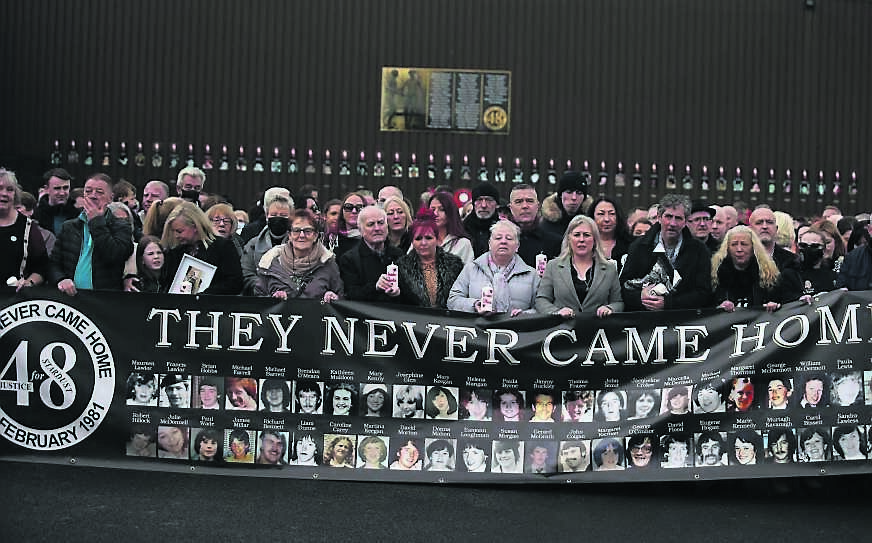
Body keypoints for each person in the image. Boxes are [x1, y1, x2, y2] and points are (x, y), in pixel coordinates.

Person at [620, 194, 712, 311]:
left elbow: (703, 293)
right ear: (659, 217)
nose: (672, 223)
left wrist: (668, 303)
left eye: (678, 218)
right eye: (668, 216)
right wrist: (640, 297)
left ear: (686, 221)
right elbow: (623, 287)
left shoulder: (699, 250)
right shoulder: (638, 247)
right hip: (644, 321)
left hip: (683, 321)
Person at [50, 173, 134, 294]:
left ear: (110, 198)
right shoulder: (68, 227)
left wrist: (96, 222)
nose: (93, 196)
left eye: (99, 192)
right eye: (88, 191)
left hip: (103, 299)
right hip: (71, 298)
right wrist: (61, 279)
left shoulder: (121, 226)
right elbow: (54, 263)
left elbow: (115, 255)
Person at [535, 215, 623, 318]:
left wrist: (610, 308)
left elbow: (618, 302)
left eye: (586, 235)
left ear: (594, 240)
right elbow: (541, 300)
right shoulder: (553, 266)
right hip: (563, 330)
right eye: (577, 235)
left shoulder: (609, 268)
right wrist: (556, 312)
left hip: (598, 329)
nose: (581, 240)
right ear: (569, 238)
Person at [448, 220, 540, 316]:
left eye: (509, 238)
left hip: (517, 328)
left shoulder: (532, 274)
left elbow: (540, 308)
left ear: (517, 246)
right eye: (498, 238)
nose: (503, 242)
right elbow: (453, 300)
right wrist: (474, 305)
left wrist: (524, 315)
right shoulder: (471, 269)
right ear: (489, 244)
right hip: (479, 327)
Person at [255, 208, 342, 303]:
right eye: (296, 230)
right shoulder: (270, 262)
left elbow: (341, 297)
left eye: (307, 231)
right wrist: (272, 299)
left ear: (316, 235)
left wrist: (333, 297)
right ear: (289, 235)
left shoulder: (328, 262)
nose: (301, 235)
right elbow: (258, 298)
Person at [711, 226, 802, 312]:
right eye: (734, 244)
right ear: (727, 248)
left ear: (753, 247)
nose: (739, 249)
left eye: (744, 244)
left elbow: (786, 300)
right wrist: (718, 309)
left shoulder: (770, 274)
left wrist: (774, 306)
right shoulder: (716, 273)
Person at [160, 201, 243, 295]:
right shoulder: (176, 252)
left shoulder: (222, 246)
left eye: (179, 231)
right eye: (173, 231)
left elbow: (235, 282)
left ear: (195, 227)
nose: (176, 235)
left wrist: (205, 294)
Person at [388, 212, 464, 308]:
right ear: (412, 241)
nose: (423, 243)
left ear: (437, 239)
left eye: (428, 238)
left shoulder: (454, 264)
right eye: (418, 239)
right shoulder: (401, 267)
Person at [339, 205, 404, 303]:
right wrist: (375, 287)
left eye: (381, 223)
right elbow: (351, 294)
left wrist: (399, 292)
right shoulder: (349, 259)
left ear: (387, 226)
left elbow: (409, 291)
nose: (377, 228)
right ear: (360, 230)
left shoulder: (398, 254)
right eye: (371, 224)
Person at [0, 169, 48, 290]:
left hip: (14, 301)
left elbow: (42, 267)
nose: (4, 193)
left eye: (10, 189)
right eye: (0, 188)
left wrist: (29, 283)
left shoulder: (28, 228)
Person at [240, 194, 292, 295]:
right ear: (267, 217)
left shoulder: (298, 245)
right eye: (274, 215)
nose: (278, 218)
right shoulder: (253, 245)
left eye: (283, 215)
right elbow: (246, 273)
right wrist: (265, 286)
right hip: (259, 299)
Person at [507, 184, 561, 266]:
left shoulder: (554, 243)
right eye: (519, 202)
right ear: (510, 208)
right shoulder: (499, 241)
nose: (525, 206)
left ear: (537, 206)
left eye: (530, 201)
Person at [541, 171, 592, 238]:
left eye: (579, 193)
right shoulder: (544, 226)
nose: (574, 197)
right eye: (569, 192)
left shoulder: (592, 223)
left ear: (584, 198)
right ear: (560, 195)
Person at [586, 196, 634, 267]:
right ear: (592, 217)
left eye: (611, 214)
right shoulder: (584, 243)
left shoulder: (631, 245)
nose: (606, 219)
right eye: (601, 214)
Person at [427, 191, 473, 264]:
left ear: (450, 212)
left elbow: (468, 273)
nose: (436, 213)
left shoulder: (463, 243)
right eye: (432, 209)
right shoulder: (420, 239)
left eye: (441, 209)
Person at [34, 168, 78, 236]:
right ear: (47, 189)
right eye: (57, 188)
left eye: (65, 188)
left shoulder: (78, 216)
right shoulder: (36, 216)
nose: (62, 193)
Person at [463, 182, 501, 257]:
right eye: (479, 200)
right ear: (473, 203)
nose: (484, 205)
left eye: (489, 200)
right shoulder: (461, 230)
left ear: (496, 204)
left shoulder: (505, 230)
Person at [797, 227, 837, 296]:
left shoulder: (831, 277)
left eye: (814, 246)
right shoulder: (790, 275)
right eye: (803, 245)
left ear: (824, 250)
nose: (808, 249)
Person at [329, 192, 366, 258]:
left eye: (359, 207)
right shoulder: (331, 237)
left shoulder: (370, 239)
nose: (354, 211)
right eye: (348, 207)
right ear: (342, 211)